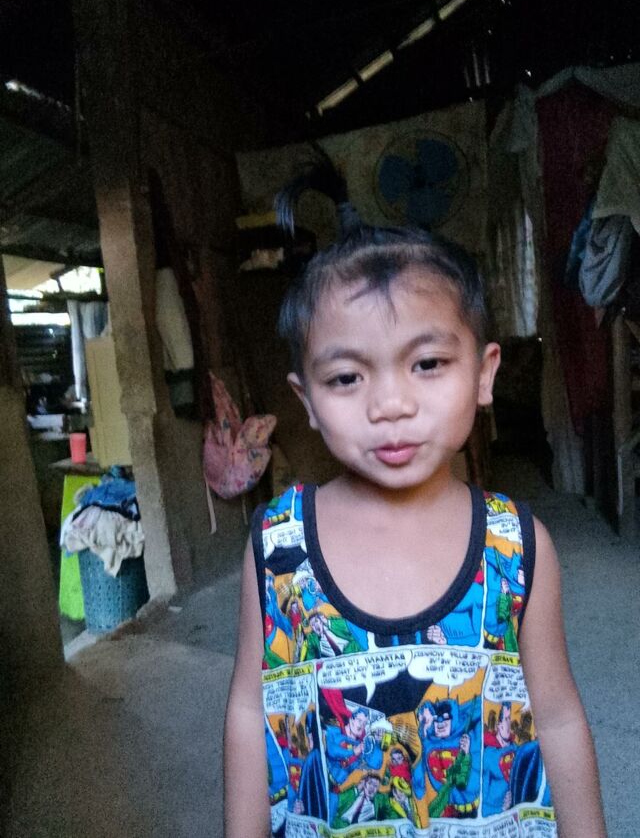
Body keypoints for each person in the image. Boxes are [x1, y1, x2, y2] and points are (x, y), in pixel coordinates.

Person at [224, 224, 606, 837]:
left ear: (483, 374)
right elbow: (252, 710)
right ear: (307, 400)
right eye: (346, 377)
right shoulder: (278, 545)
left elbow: (558, 718)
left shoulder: (517, 545)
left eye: (427, 364)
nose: (390, 405)